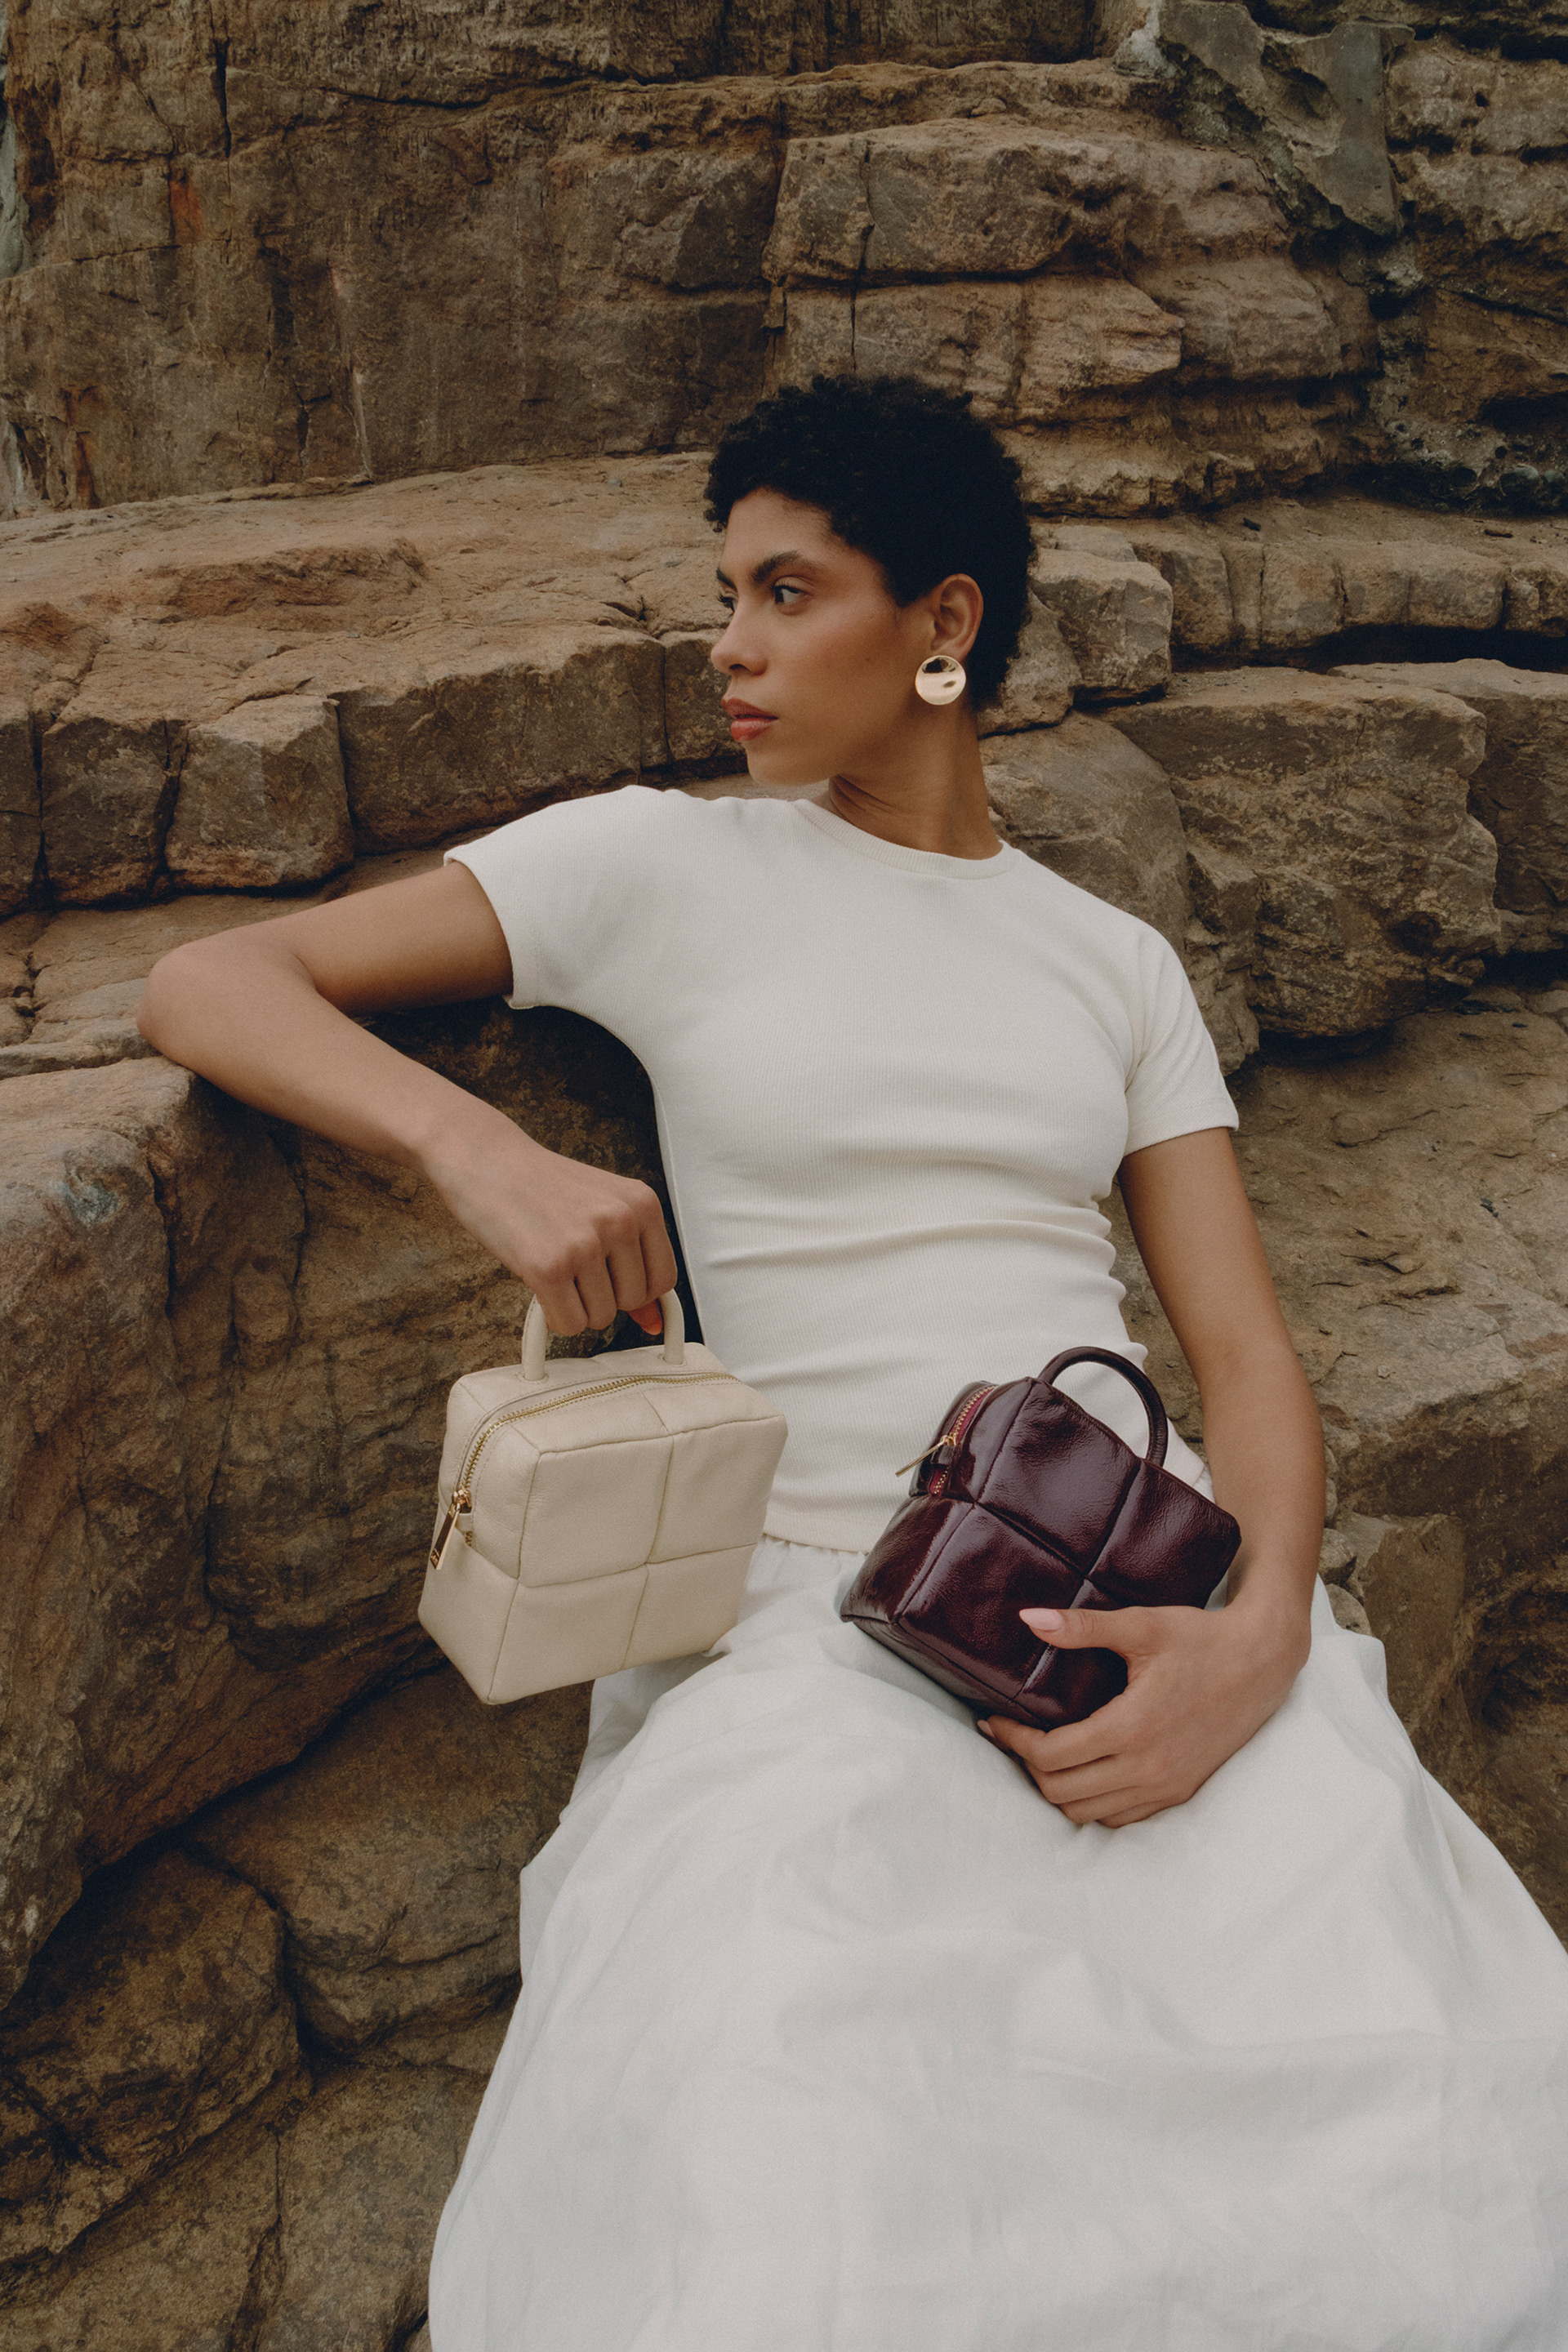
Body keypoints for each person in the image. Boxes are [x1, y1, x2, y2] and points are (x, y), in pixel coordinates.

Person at [139, 376, 1568, 2349]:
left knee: (1411, 2119)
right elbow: (209, 980)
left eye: (788, 592)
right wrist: (485, 1155)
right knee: (804, 2155)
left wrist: (1254, 1649)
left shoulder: (1110, 961)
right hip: (815, 1627)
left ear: (942, 622)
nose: (729, 646)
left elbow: (1245, 1360)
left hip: (1124, 1600)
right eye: (727, 594)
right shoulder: (661, 867)